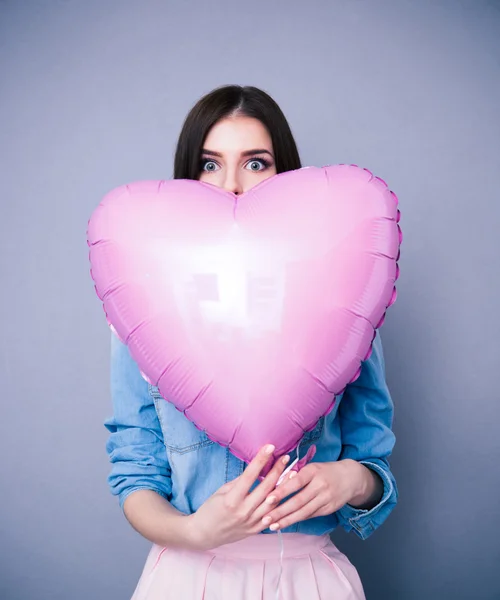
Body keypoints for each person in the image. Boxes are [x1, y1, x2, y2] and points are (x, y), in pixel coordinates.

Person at [104, 85, 398, 599]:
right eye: (210, 164)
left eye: (256, 163)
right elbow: (135, 471)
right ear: (186, 179)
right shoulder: (143, 305)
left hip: (308, 580)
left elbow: (375, 465)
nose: (233, 185)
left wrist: (347, 480)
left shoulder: (342, 294)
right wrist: (194, 531)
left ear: (285, 176)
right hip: (187, 579)